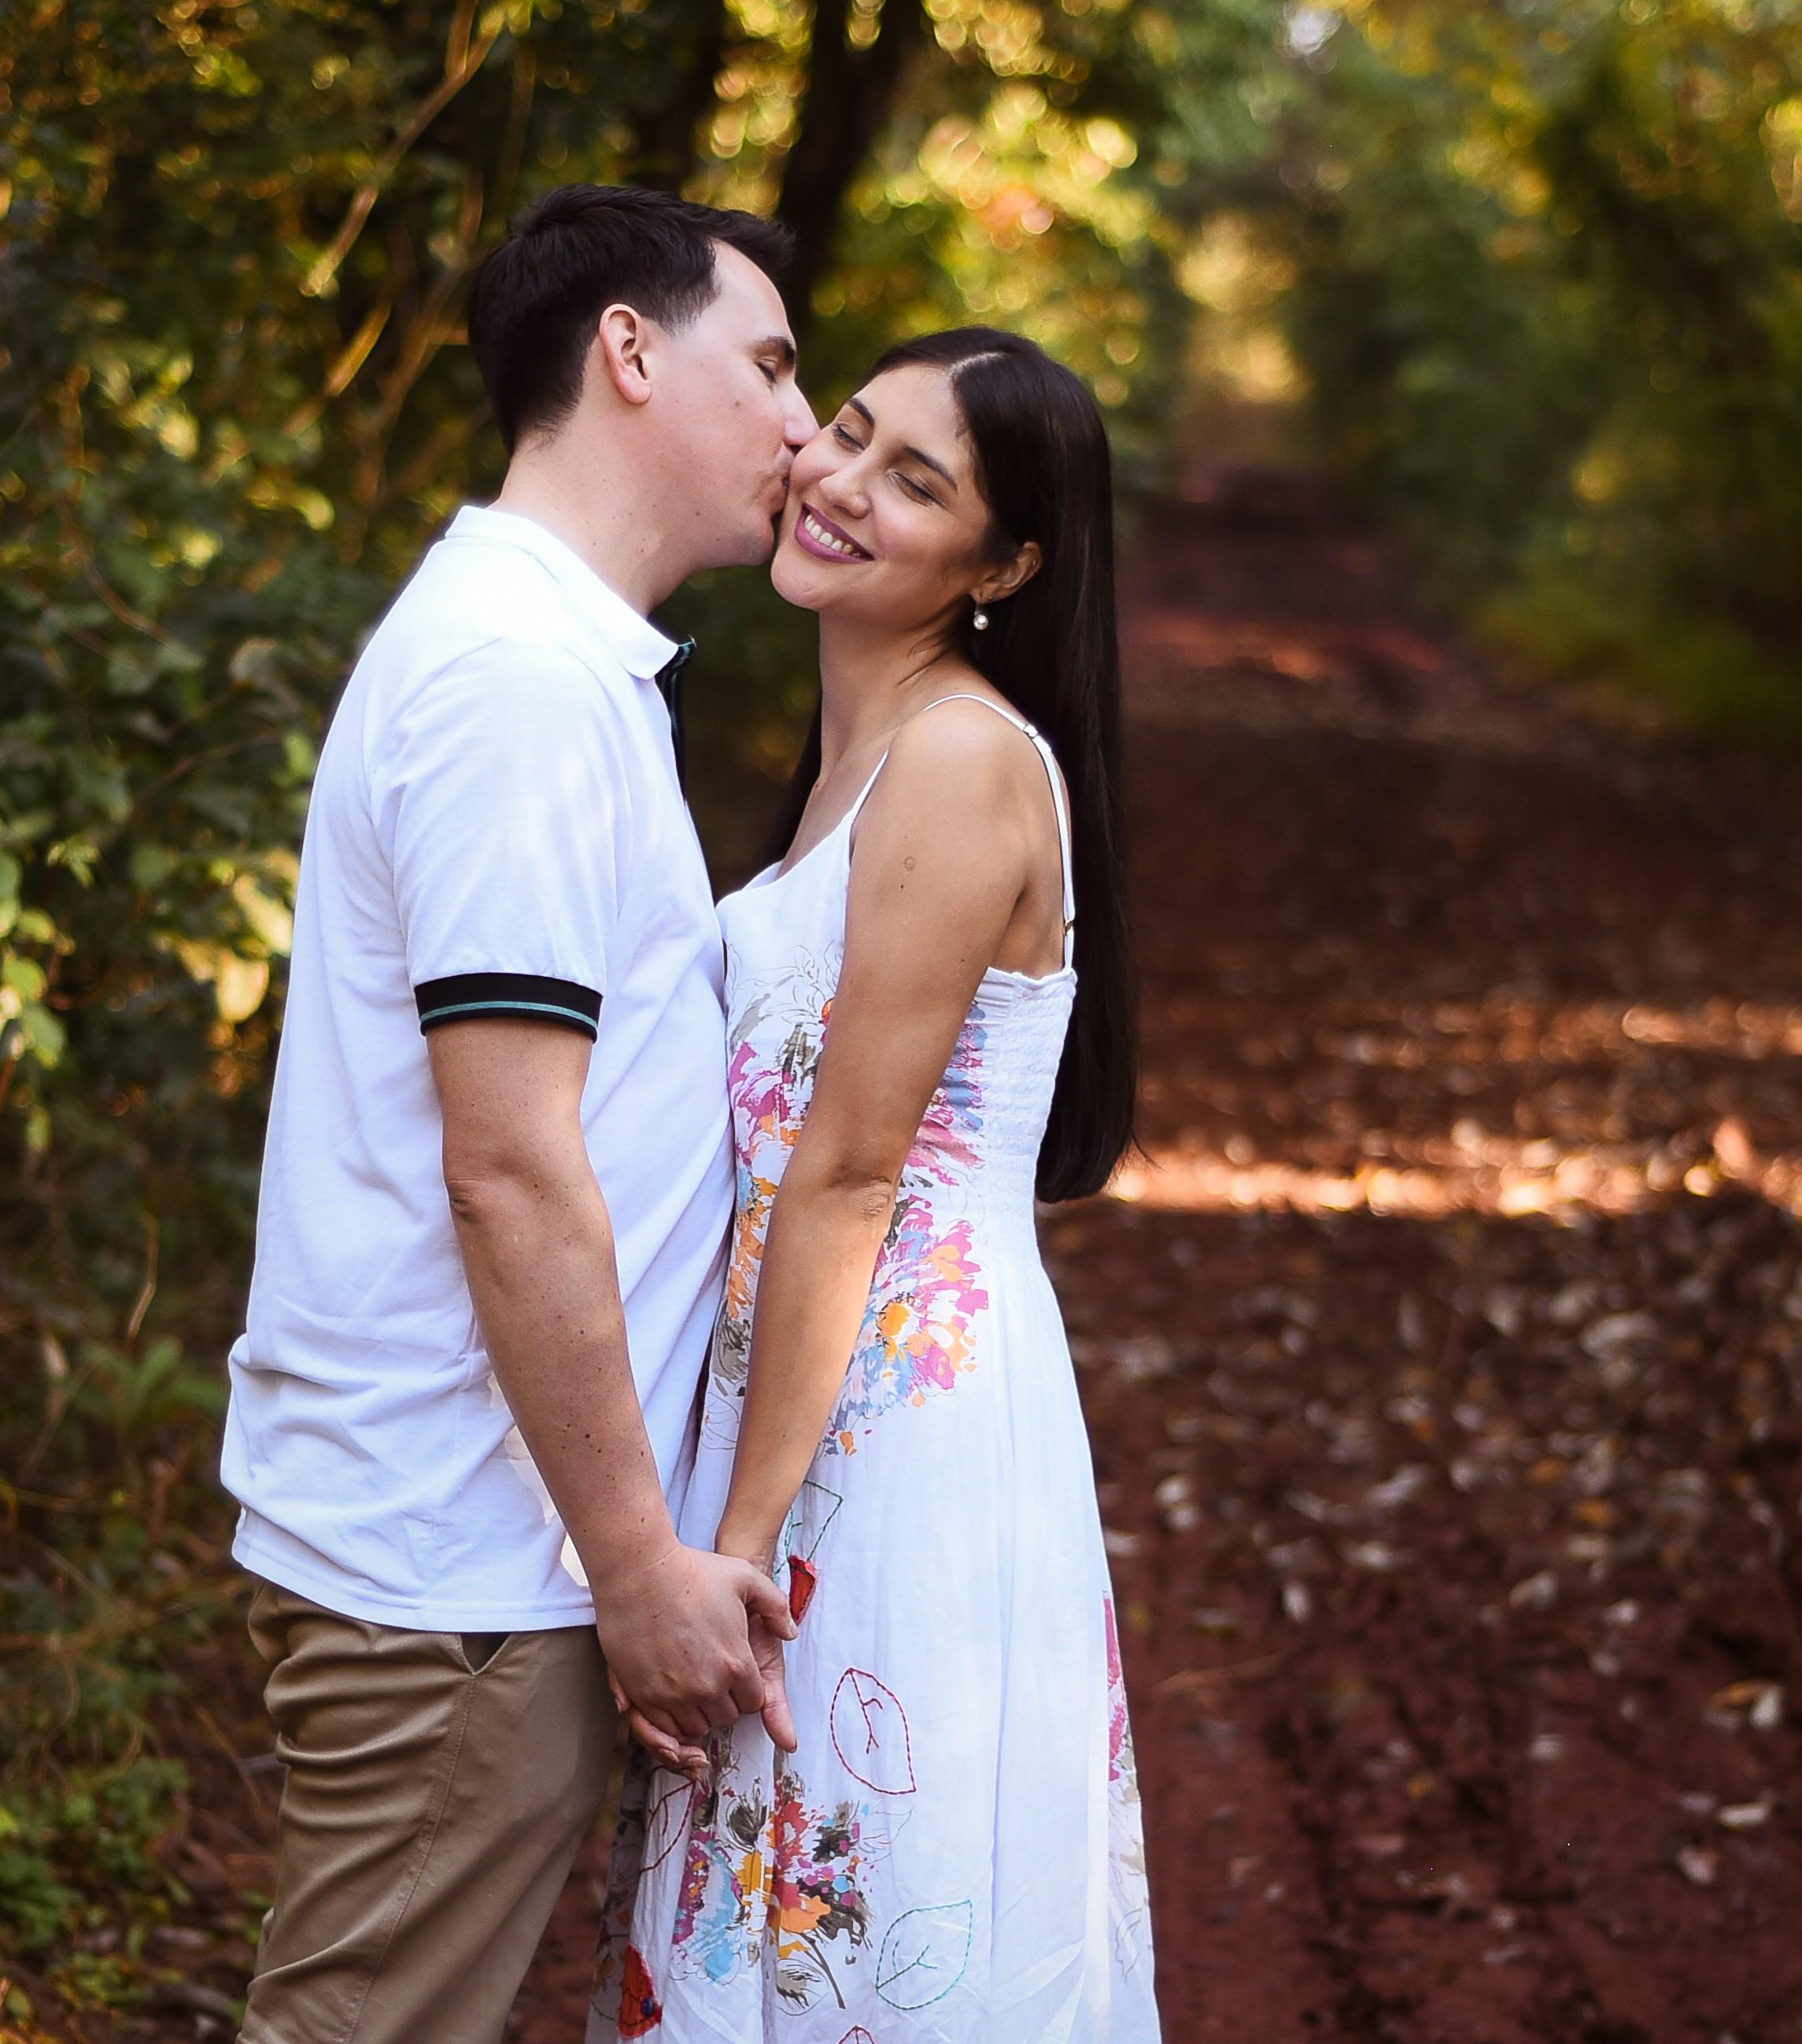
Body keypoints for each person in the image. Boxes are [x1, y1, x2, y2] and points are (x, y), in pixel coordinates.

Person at [219, 183, 818, 2044]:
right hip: (458, 1562)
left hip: (470, 1552)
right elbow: (510, 1162)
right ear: (629, 353)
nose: (807, 426)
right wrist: (634, 1560)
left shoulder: (555, 657)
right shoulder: (517, 681)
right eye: (776, 363)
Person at [590, 330, 1159, 2042]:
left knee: (884, 1914)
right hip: (802, 1395)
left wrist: (735, 1549)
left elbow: (844, 1177)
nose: (839, 480)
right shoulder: (855, 755)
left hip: (898, 1434)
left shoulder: (966, 759)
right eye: (848, 430)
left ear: (1002, 566)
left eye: (917, 479)